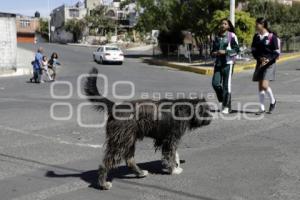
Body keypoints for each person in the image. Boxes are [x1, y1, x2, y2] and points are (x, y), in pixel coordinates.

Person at [211, 19, 240, 114]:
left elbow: (237, 50)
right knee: (215, 83)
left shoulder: (232, 36)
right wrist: (214, 53)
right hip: (218, 63)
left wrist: (226, 52)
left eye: (225, 24)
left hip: (228, 63)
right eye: (221, 23)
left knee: (226, 86)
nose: (223, 25)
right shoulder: (216, 37)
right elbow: (212, 51)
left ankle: (227, 106)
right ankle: (223, 101)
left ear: (228, 26)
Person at [251, 18, 279, 115]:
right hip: (260, 62)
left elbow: (276, 52)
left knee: (264, 85)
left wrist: (268, 59)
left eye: (257, 24)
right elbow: (253, 50)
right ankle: (261, 108)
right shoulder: (256, 36)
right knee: (260, 86)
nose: (256, 26)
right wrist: (259, 58)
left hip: (270, 63)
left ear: (262, 24)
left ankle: (273, 101)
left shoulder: (271, 37)